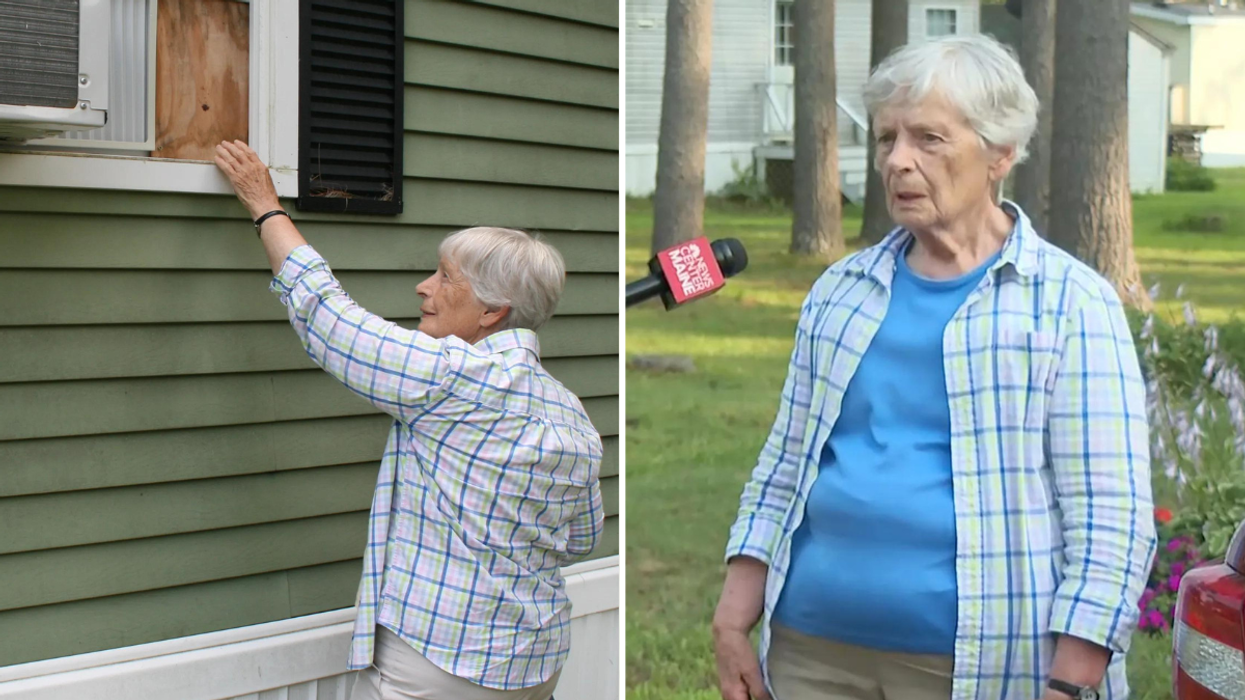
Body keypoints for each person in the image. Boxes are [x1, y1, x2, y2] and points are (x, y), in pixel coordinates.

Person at [712, 35, 1155, 700]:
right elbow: (783, 464)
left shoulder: (1069, 302)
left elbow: (1110, 514)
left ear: (1000, 152)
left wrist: (1073, 681)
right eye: (887, 138)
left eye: (928, 139)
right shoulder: (841, 289)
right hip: (810, 648)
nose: (897, 162)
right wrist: (731, 615)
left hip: (980, 662)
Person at [214, 140, 603, 700]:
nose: (425, 287)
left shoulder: (453, 377)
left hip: (444, 661)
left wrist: (266, 206)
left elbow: (327, 316)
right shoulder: (570, 410)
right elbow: (580, 539)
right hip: (534, 662)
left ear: (492, 312)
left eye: (446, 278)